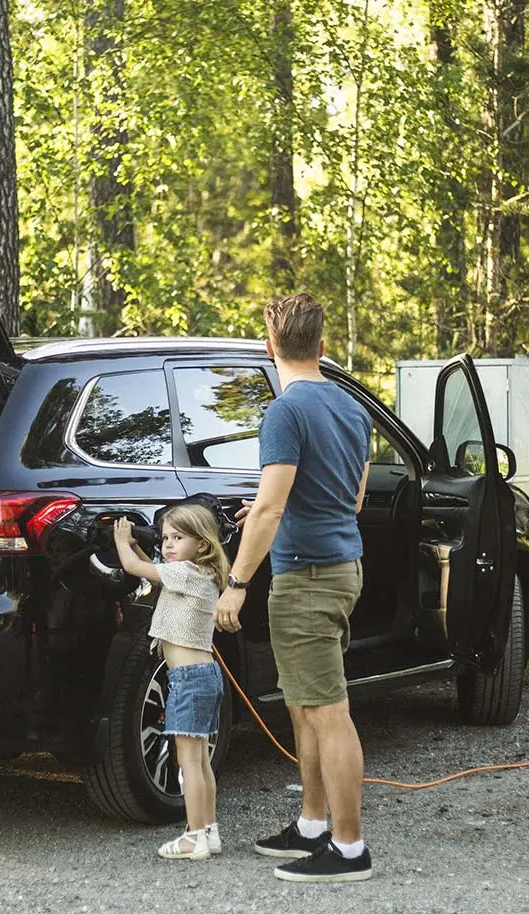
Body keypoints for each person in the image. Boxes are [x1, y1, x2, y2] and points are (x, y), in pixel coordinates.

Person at [214, 293, 373, 883]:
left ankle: (350, 847)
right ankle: (312, 825)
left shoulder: (284, 411)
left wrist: (237, 583)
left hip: (305, 577)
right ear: (323, 347)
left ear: (269, 347)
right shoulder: (350, 406)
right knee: (307, 705)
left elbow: (272, 508)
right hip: (340, 566)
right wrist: (265, 510)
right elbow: (350, 498)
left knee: (329, 712)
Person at [112, 503, 230, 861]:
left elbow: (135, 568)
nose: (168, 545)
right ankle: (209, 832)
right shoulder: (202, 573)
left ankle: (193, 837)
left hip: (188, 679)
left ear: (202, 543)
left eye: (178, 537)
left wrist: (120, 540)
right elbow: (151, 567)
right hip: (205, 677)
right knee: (201, 761)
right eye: (165, 538)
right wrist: (137, 543)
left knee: (188, 763)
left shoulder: (186, 573)